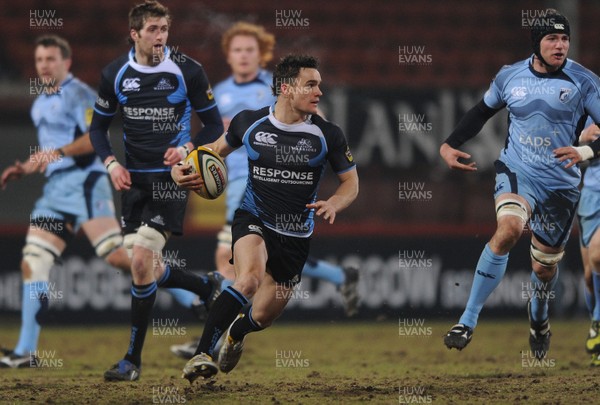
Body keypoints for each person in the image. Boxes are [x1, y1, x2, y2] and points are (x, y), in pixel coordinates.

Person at [169, 21, 360, 360]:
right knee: (245, 279)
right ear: (286, 88)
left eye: (319, 85)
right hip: (249, 202)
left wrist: (334, 202)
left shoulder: (326, 133)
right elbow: (210, 151)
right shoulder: (241, 110)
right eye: (311, 85)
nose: (320, 92)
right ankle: (203, 353)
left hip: (296, 231)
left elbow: (350, 181)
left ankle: (236, 332)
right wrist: (181, 169)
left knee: (263, 314)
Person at [440, 9, 600, 360]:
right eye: (552, 39)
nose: (560, 46)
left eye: (564, 39)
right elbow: (482, 111)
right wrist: (450, 143)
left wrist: (584, 149)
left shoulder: (584, 82)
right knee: (509, 229)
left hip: (562, 185)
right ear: (536, 43)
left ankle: (539, 320)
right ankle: (467, 320)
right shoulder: (509, 76)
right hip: (518, 171)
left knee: (544, 269)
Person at [89, 0, 224, 381]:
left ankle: (132, 361)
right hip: (133, 183)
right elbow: (98, 130)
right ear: (135, 34)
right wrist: (112, 164)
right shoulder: (115, 73)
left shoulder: (188, 70)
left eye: (164, 29)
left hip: (173, 180)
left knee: (139, 262)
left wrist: (187, 149)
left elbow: (214, 125)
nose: (160, 37)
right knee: (142, 264)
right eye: (152, 30)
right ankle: (203, 285)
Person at [0, 35, 132, 368]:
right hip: (55, 191)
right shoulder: (39, 103)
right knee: (34, 259)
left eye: (50, 59)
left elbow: (95, 137)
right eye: (40, 59)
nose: (44, 65)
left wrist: (56, 153)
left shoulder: (79, 94)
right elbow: (50, 152)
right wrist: (25, 167)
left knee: (117, 257)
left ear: (66, 62)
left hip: (85, 183)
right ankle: (26, 351)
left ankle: (196, 290)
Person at [577, 122, 600, 366]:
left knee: (598, 255)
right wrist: (583, 137)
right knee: (588, 276)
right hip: (591, 196)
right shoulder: (586, 100)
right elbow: (559, 144)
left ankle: (597, 321)